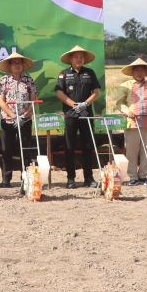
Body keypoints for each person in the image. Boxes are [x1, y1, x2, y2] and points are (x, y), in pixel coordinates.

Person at [55, 45, 101, 188]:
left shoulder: (90, 72)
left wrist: (85, 104)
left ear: (84, 59)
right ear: (70, 59)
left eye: (81, 57)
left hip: (86, 114)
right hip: (70, 114)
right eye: (75, 57)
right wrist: (73, 104)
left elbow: (96, 92)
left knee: (88, 146)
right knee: (69, 146)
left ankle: (89, 178)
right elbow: (59, 92)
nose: (78, 59)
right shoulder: (63, 74)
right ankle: (70, 179)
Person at [111, 58, 147, 184]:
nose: (139, 73)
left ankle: (143, 175)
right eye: (137, 70)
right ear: (132, 72)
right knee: (132, 150)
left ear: (146, 72)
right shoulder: (126, 86)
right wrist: (128, 112)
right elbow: (120, 103)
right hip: (132, 122)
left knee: (146, 148)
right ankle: (132, 176)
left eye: (142, 70)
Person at [0, 51, 37, 187]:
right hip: (7, 121)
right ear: (9, 66)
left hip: (25, 120)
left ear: (23, 66)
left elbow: (33, 100)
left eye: (19, 63)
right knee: (6, 150)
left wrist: (24, 115)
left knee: (25, 149)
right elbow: (1, 101)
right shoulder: (3, 81)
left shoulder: (29, 80)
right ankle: (6, 179)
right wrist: (13, 116)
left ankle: (26, 177)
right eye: (14, 63)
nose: (17, 66)